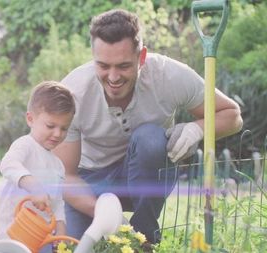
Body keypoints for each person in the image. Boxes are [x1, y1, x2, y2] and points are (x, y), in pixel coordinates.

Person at [53, 9, 243, 243]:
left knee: (151, 138)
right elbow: (66, 177)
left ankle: (144, 238)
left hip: (146, 176)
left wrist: (197, 128)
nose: (113, 77)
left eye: (123, 66)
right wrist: (106, 216)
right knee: (75, 246)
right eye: (103, 65)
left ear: (141, 57)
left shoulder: (169, 76)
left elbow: (232, 114)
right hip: (89, 181)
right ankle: (122, 232)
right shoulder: (73, 93)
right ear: (94, 58)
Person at [0, 81, 76, 252]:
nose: (57, 134)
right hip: (12, 238)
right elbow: (8, 163)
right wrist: (34, 186)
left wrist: (61, 226)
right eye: (50, 126)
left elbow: (57, 202)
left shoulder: (58, 165)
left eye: (64, 128)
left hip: (40, 238)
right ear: (30, 119)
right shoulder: (26, 145)